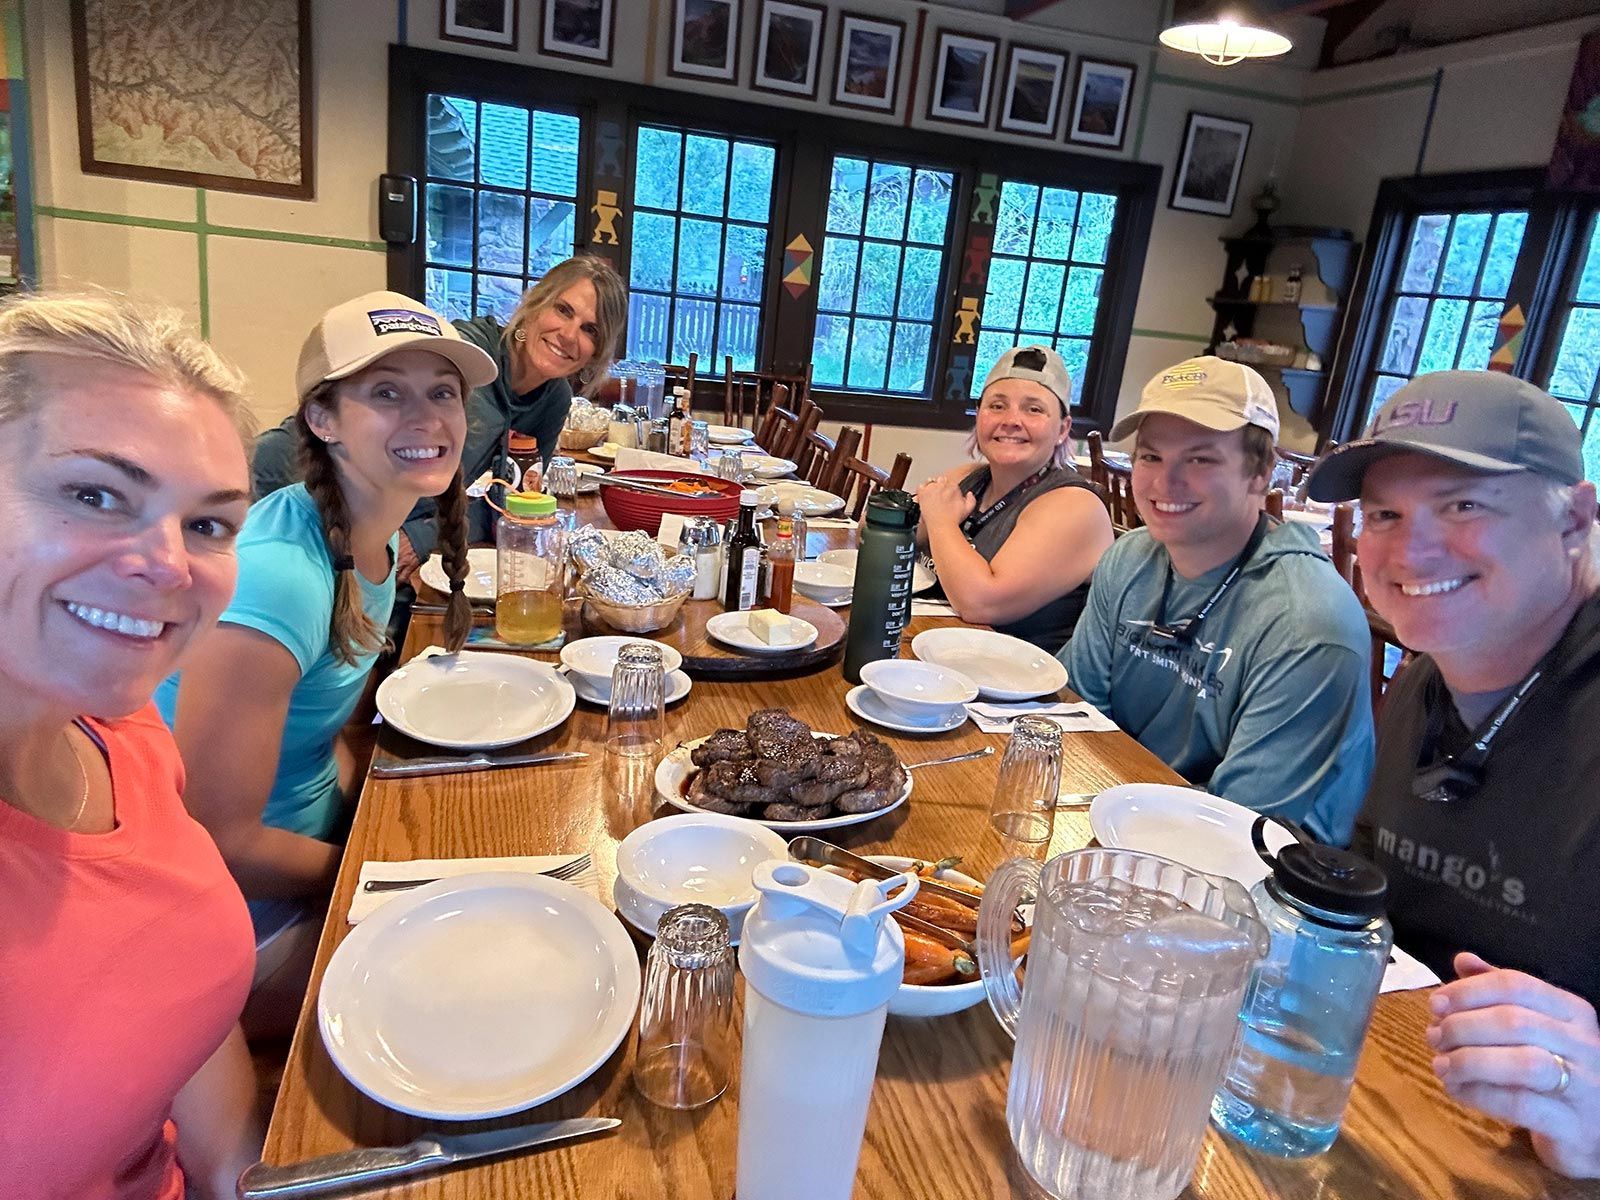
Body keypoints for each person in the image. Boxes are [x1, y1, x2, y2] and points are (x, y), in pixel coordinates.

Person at [157, 291, 497, 1033]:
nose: (427, 416)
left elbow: (323, 738)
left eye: (442, 392)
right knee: (480, 989)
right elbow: (217, 842)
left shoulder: (365, 544)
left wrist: (374, 826)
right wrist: (373, 872)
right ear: (322, 418)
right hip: (228, 923)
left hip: (313, 846)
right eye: (386, 393)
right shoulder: (282, 575)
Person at [1306, 370, 1600, 1177]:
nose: (1409, 550)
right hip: (1397, 1115)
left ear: (1574, 519)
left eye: (1464, 505)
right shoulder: (1432, 673)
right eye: (1385, 514)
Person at [0, 294, 260, 1197]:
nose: (168, 564)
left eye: (208, 524)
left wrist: (242, 1176)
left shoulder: (121, 727)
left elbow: (178, 1000)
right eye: (95, 495)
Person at [1061, 355, 1374, 845]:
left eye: (1201, 459)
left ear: (1261, 472)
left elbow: (1237, 828)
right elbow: (1077, 715)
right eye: (1151, 456)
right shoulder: (1129, 559)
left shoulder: (1308, 622)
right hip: (1126, 817)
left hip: (1258, 872)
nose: (1166, 482)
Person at [250, 254, 626, 581]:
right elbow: (285, 452)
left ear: (597, 351)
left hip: (405, 548)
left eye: (590, 329)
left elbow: (510, 503)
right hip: (336, 531)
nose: (569, 333)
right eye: (563, 310)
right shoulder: (462, 359)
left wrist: (421, 536)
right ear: (534, 305)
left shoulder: (554, 399)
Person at [914, 346, 1113, 651]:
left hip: (1023, 689)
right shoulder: (970, 477)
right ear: (979, 416)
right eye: (997, 406)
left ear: (1062, 429)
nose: (1011, 420)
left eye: (1033, 409)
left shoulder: (1074, 506)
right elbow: (873, 532)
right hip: (946, 653)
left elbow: (980, 603)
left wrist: (940, 520)